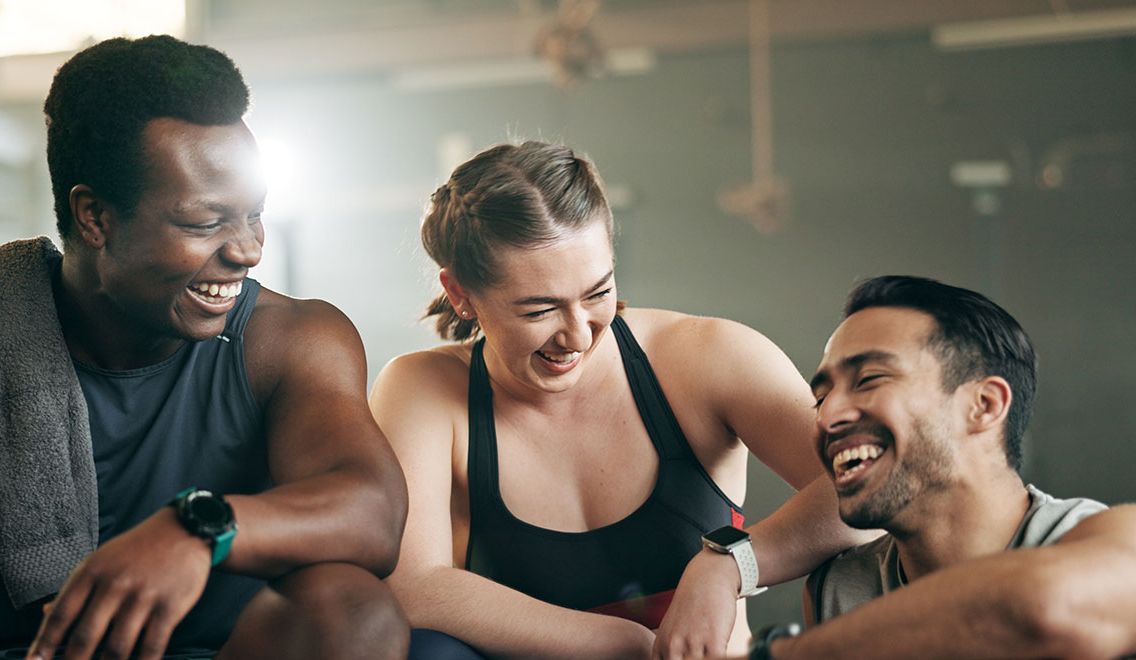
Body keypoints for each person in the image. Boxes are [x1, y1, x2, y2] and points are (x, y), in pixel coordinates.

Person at [0, 35, 409, 660]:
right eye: (205, 222)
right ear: (95, 217)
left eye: (253, 214)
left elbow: (372, 512)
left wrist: (197, 528)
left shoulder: (290, 339)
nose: (248, 250)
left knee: (350, 609)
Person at [369, 141, 874, 660]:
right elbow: (414, 586)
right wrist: (627, 644)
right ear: (461, 295)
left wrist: (728, 565)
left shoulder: (706, 355)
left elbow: (874, 486)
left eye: (597, 293)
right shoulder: (422, 389)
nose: (577, 335)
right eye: (539, 311)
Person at [730, 275, 1136, 660]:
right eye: (821, 397)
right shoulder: (838, 590)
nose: (827, 416)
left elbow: (1045, 612)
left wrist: (782, 654)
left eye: (869, 379)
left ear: (983, 405)